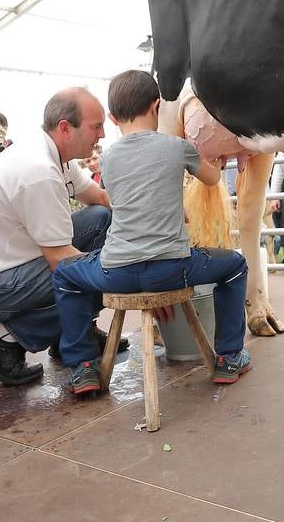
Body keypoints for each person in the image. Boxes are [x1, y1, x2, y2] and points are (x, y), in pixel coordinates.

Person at [53, 70, 252, 396]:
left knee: (64, 275)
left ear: (114, 118)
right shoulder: (176, 147)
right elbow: (212, 178)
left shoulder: (108, 157)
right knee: (233, 266)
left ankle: (84, 367)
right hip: (173, 269)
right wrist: (223, 155)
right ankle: (229, 357)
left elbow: (124, 203)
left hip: (114, 272)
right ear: (157, 105)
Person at [0, 89, 111, 387]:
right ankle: (4, 341)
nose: (103, 134)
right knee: (101, 272)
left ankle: (68, 332)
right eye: (96, 126)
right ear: (66, 128)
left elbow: (101, 200)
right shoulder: (38, 169)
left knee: (98, 220)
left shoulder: (56, 155)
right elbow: (62, 262)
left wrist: (147, 214)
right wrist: (133, 270)